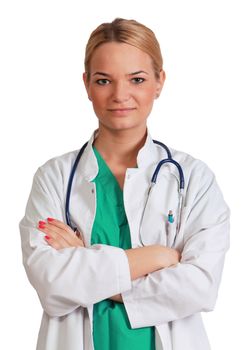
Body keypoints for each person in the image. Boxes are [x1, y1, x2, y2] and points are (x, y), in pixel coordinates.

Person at [19, 18, 230, 350]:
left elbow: (199, 286)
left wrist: (86, 263)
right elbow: (52, 284)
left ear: (159, 82)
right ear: (87, 84)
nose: (120, 95)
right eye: (104, 80)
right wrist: (157, 257)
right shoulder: (54, 178)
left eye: (137, 79)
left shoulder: (194, 179)